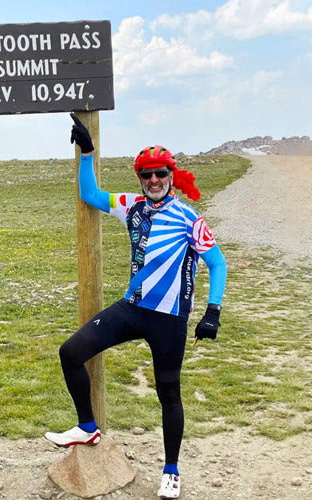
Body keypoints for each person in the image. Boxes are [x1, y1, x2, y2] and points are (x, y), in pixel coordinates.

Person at [45, 113, 227, 499]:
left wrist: (212, 312)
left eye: (160, 173)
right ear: (139, 178)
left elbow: (217, 263)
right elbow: (91, 195)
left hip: (170, 320)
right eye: (146, 175)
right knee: (70, 352)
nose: (154, 180)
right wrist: (87, 153)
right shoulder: (132, 206)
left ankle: (172, 470)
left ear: (171, 175)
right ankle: (87, 427)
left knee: (169, 394)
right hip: (132, 308)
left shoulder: (188, 218)